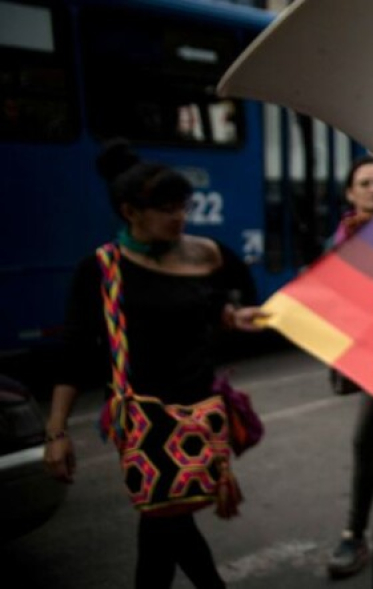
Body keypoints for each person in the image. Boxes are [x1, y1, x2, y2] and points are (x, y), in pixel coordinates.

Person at [43, 139, 266, 588]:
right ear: (131, 212)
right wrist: (57, 432)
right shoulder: (102, 269)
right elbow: (73, 355)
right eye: (167, 209)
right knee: (167, 518)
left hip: (200, 415)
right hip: (146, 422)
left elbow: (219, 307)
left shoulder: (202, 254)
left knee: (161, 528)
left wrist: (236, 317)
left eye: (182, 206)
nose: (180, 217)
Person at [324, 155, 373, 579]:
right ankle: (362, 534)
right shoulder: (341, 239)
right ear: (351, 193)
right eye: (365, 184)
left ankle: (366, 535)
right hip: (368, 359)